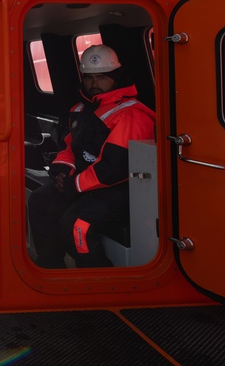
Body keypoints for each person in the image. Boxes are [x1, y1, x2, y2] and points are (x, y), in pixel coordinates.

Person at [27, 44, 155, 268]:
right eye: (89, 78)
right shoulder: (80, 110)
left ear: (116, 78)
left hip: (117, 189)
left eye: (102, 78)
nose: (94, 84)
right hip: (84, 182)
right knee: (41, 200)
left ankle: (98, 279)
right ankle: (51, 268)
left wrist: (74, 184)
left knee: (77, 225)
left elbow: (115, 168)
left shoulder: (129, 115)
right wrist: (62, 171)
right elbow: (69, 147)